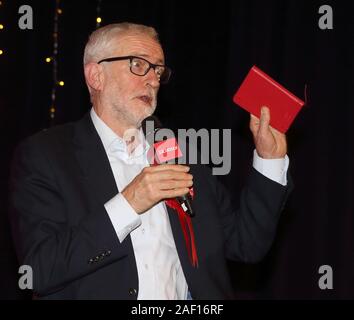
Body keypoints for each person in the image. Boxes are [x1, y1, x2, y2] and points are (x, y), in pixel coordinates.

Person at [9, 22, 292, 300]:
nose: (153, 79)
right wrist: (129, 203)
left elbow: (246, 245)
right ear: (96, 75)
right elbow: (39, 270)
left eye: (157, 69)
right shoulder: (47, 155)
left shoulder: (183, 155)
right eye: (137, 64)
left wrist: (270, 159)